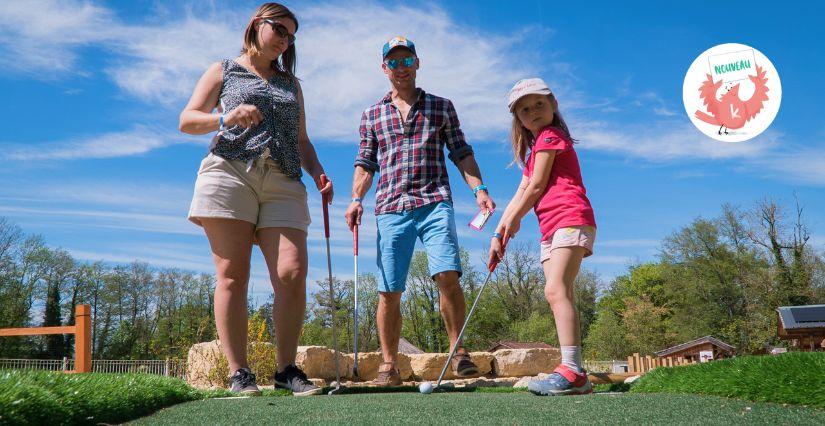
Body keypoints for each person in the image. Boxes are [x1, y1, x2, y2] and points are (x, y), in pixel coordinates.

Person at [179, 2, 331, 396]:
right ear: (256, 24)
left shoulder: (291, 84)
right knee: (233, 275)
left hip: (283, 178)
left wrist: (318, 173)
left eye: (291, 35)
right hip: (229, 172)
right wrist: (225, 117)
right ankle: (239, 372)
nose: (285, 39)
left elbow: (301, 140)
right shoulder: (223, 69)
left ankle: (286, 370)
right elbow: (187, 120)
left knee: (292, 273)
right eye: (280, 29)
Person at [344, 36, 496, 386]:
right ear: (385, 68)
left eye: (406, 61)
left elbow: (461, 152)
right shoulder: (372, 114)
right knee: (389, 289)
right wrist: (356, 199)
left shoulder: (442, 107)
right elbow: (365, 163)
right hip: (391, 207)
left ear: (417, 63)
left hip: (434, 201)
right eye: (394, 63)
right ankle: (388, 365)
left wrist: (480, 189)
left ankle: (458, 352)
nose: (401, 68)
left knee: (447, 274)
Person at [489, 78, 597, 396]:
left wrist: (517, 219)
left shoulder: (551, 137)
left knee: (555, 290)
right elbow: (522, 190)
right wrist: (500, 231)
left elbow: (537, 187)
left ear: (553, 105)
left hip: (570, 218)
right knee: (558, 294)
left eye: (538, 103)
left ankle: (572, 371)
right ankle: (574, 370)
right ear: (518, 119)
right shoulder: (536, 149)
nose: (532, 111)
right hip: (550, 228)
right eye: (524, 109)